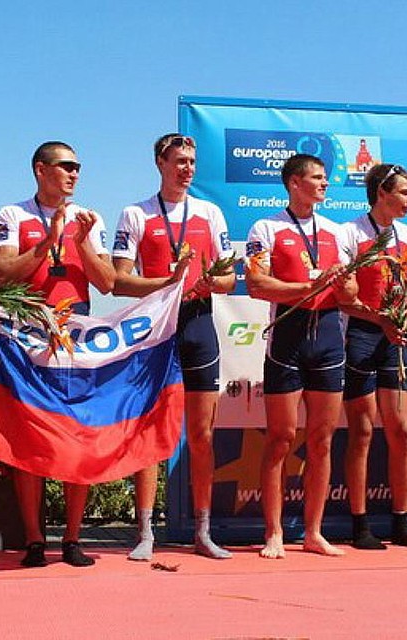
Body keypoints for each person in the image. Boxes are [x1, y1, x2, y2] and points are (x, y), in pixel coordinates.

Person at [112, 134, 236, 561]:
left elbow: (229, 279)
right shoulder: (136, 214)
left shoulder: (209, 212)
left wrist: (205, 282)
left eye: (192, 162)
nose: (187, 169)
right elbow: (119, 280)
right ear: (160, 163)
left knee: (201, 435)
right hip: (155, 328)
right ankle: (145, 532)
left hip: (198, 325)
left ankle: (203, 531)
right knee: (148, 431)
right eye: (179, 161)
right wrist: (169, 283)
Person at [0, 141, 115, 567]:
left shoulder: (89, 218)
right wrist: (49, 240)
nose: (74, 173)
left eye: (78, 167)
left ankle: (73, 539)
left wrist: (80, 243)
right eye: (66, 166)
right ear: (41, 170)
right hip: (28, 335)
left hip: (75, 336)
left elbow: (107, 282)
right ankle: (33, 540)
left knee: (78, 436)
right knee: (31, 439)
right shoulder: (13, 215)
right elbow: (4, 273)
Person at [245, 154, 356, 558]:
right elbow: (256, 284)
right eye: (317, 178)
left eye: (326, 178)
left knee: (322, 441)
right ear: (295, 183)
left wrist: (341, 285)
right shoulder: (266, 228)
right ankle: (273, 532)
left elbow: (352, 293)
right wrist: (310, 286)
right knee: (281, 438)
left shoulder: (337, 232)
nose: (325, 184)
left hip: (328, 338)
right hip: (287, 340)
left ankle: (314, 532)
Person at [340, 163, 407, 551]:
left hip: (395, 337)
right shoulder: (349, 233)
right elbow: (344, 297)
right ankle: (360, 524)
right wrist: (380, 319)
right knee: (362, 432)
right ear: (382, 193)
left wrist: (404, 315)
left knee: (401, 430)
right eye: (404, 193)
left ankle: (400, 521)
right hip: (361, 335)